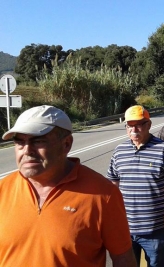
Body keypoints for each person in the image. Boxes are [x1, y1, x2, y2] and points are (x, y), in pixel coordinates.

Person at [0, 105, 136, 267]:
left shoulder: (103, 194)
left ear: (66, 144)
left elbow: (123, 259)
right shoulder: (3, 189)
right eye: (19, 142)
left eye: (38, 141)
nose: (27, 150)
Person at [107, 105, 164, 267]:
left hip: (155, 229)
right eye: (129, 125)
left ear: (148, 125)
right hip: (125, 228)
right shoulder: (119, 151)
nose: (133, 129)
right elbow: (113, 182)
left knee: (156, 264)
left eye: (138, 124)